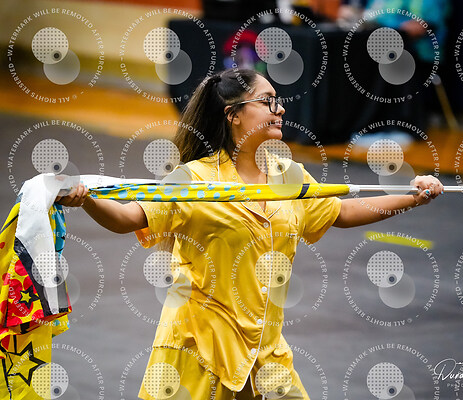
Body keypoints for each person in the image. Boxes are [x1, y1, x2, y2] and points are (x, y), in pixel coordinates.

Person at [56, 69, 443, 399]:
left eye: (278, 101)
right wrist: (86, 199)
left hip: (265, 351)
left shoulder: (288, 175)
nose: (280, 109)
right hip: (198, 348)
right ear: (234, 115)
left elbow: (340, 211)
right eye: (268, 101)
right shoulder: (193, 179)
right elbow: (127, 218)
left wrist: (412, 196)